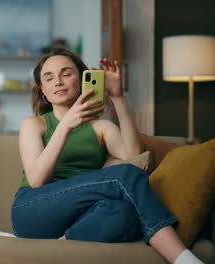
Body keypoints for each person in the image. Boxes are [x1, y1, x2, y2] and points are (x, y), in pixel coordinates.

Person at [11, 47, 203, 264]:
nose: (58, 81)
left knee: (127, 211)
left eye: (66, 73)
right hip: (33, 210)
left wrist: (118, 97)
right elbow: (37, 181)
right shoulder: (34, 124)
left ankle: (62, 243)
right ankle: (184, 259)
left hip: (83, 214)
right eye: (49, 77)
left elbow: (133, 155)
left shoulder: (100, 126)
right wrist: (65, 126)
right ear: (43, 90)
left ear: (83, 79)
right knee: (123, 176)